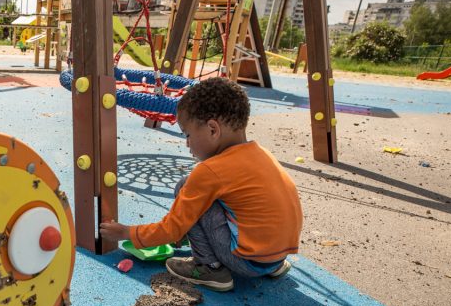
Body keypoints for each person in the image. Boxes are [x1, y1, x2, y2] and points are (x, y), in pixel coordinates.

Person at [99, 77, 302, 292]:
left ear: (213, 129)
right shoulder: (262, 154)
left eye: (188, 134)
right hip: (277, 256)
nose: (187, 143)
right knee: (217, 197)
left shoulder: (210, 171)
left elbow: (171, 228)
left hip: (247, 263)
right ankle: (273, 265)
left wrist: (126, 233)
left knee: (186, 188)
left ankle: (209, 267)